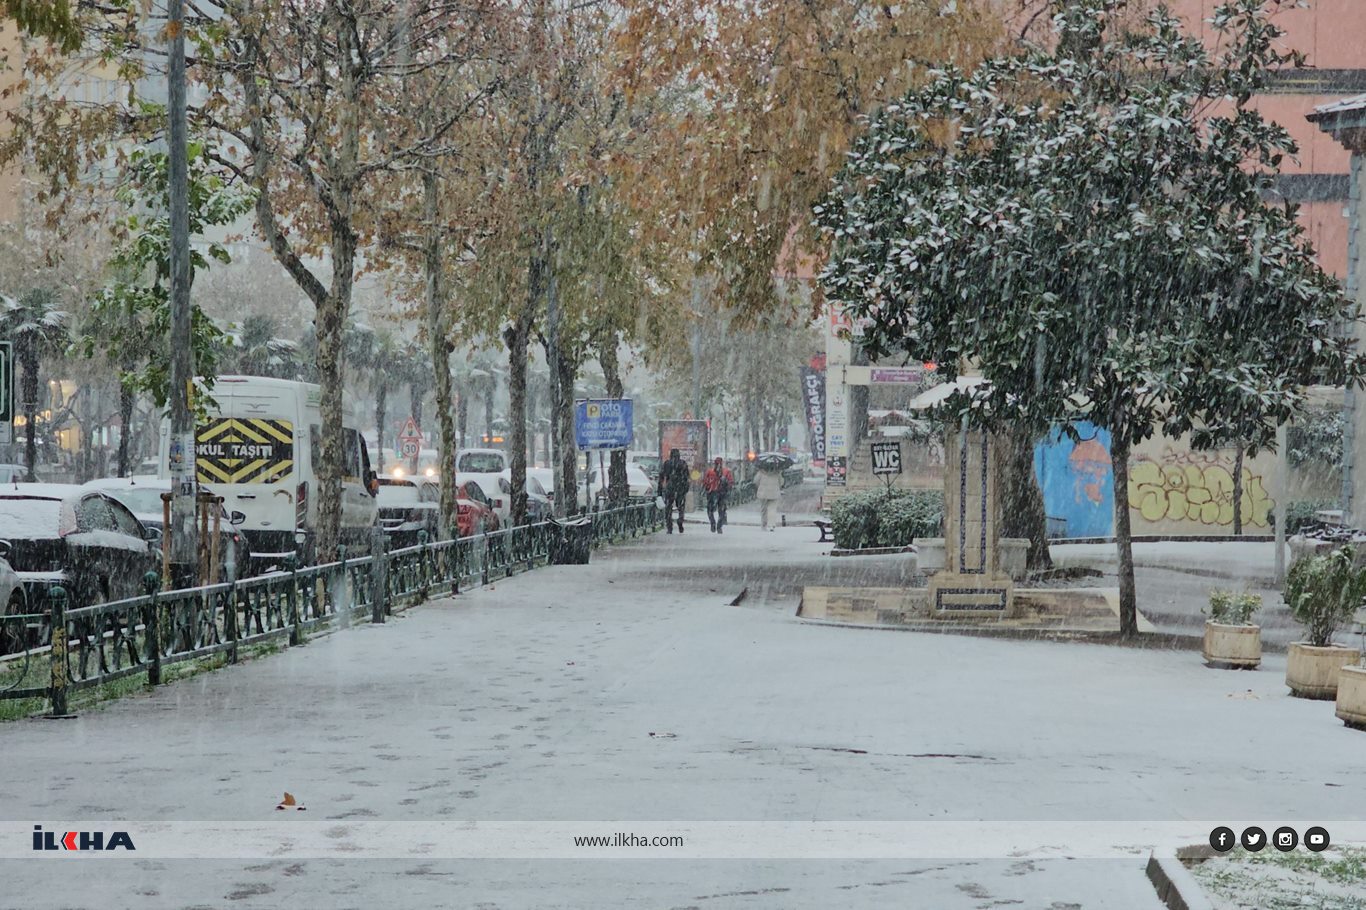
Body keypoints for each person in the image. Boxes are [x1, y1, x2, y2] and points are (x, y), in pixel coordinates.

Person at [660, 448, 690, 534]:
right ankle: (680, 520)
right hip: (680, 487)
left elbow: (662, 476)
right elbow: (687, 477)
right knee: (681, 507)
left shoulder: (667, 463)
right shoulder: (683, 463)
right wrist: (685, 488)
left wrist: (660, 490)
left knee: (668, 507)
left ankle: (669, 527)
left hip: (670, 487)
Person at [702, 456, 735, 533]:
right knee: (721, 511)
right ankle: (719, 526)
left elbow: (705, 482)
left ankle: (713, 523)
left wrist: (707, 488)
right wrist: (727, 488)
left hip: (712, 492)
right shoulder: (726, 472)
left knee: (710, 510)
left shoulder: (710, 472)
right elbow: (730, 482)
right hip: (722, 493)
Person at [756, 463, 782, 531]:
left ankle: (764, 525)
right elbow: (781, 482)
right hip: (774, 493)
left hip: (763, 493)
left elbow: (756, 481)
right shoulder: (777, 473)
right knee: (772, 509)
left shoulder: (761, 472)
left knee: (763, 510)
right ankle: (771, 525)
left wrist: (760, 486)